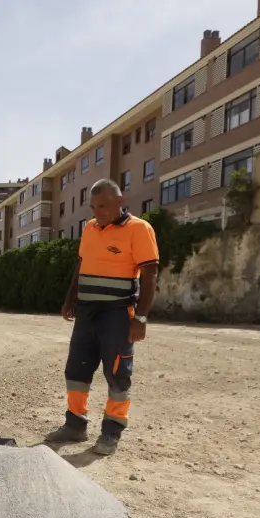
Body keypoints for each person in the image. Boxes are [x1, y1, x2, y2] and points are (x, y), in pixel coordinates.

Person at [45, 178, 159, 456]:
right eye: (93, 207)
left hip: (117, 314)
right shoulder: (89, 229)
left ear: (120, 202)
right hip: (87, 312)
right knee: (76, 370)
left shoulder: (139, 229)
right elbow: (81, 266)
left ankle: (111, 432)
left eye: (103, 206)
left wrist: (141, 318)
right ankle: (75, 425)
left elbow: (150, 274)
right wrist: (69, 299)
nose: (98, 212)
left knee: (118, 373)